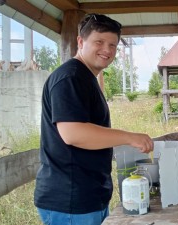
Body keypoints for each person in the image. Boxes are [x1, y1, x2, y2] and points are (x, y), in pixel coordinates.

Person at [34, 13, 153, 225]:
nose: (107, 50)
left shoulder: (86, 78)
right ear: (80, 41)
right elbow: (73, 134)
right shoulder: (70, 77)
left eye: (113, 45)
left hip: (87, 195)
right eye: (99, 42)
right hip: (70, 199)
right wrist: (128, 137)